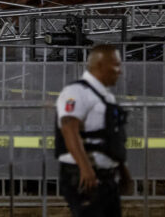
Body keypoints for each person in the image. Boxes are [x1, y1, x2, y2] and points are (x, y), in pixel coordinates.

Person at [55, 44, 133, 217]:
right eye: (116, 65)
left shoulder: (106, 97)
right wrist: (85, 168)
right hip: (84, 175)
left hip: (106, 176)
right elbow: (69, 129)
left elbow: (110, 137)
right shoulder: (76, 92)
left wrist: (121, 169)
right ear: (100, 65)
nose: (119, 71)